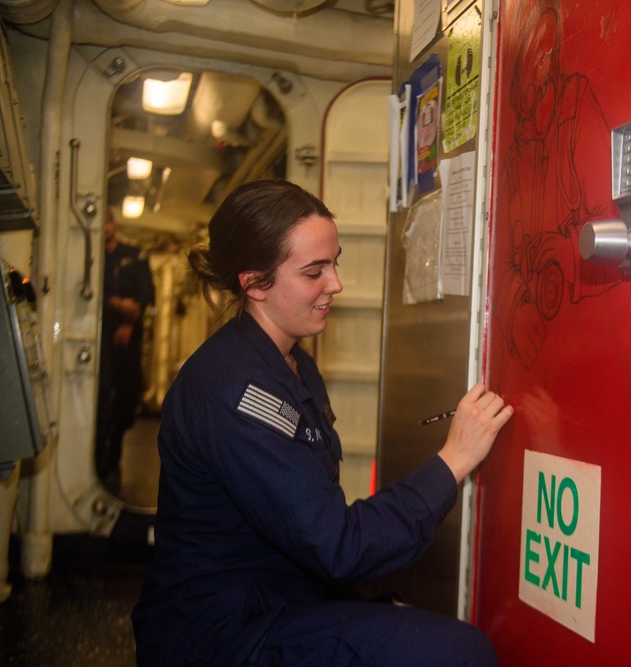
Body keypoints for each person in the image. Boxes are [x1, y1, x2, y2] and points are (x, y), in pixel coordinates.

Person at [131, 179, 514, 666]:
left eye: (335, 262)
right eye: (315, 271)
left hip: (277, 602)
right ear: (254, 284)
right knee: (460, 653)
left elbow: (310, 526)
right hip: (221, 636)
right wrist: (452, 460)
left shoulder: (292, 364)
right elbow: (338, 543)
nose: (335, 283)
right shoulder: (236, 393)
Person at [96, 212, 154, 484]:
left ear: (113, 225)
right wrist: (117, 304)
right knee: (101, 393)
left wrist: (129, 322)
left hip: (129, 336)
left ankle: (115, 448)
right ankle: (100, 460)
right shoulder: (93, 258)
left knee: (128, 393)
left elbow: (145, 293)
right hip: (100, 336)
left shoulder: (134, 254)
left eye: (107, 222)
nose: (104, 228)